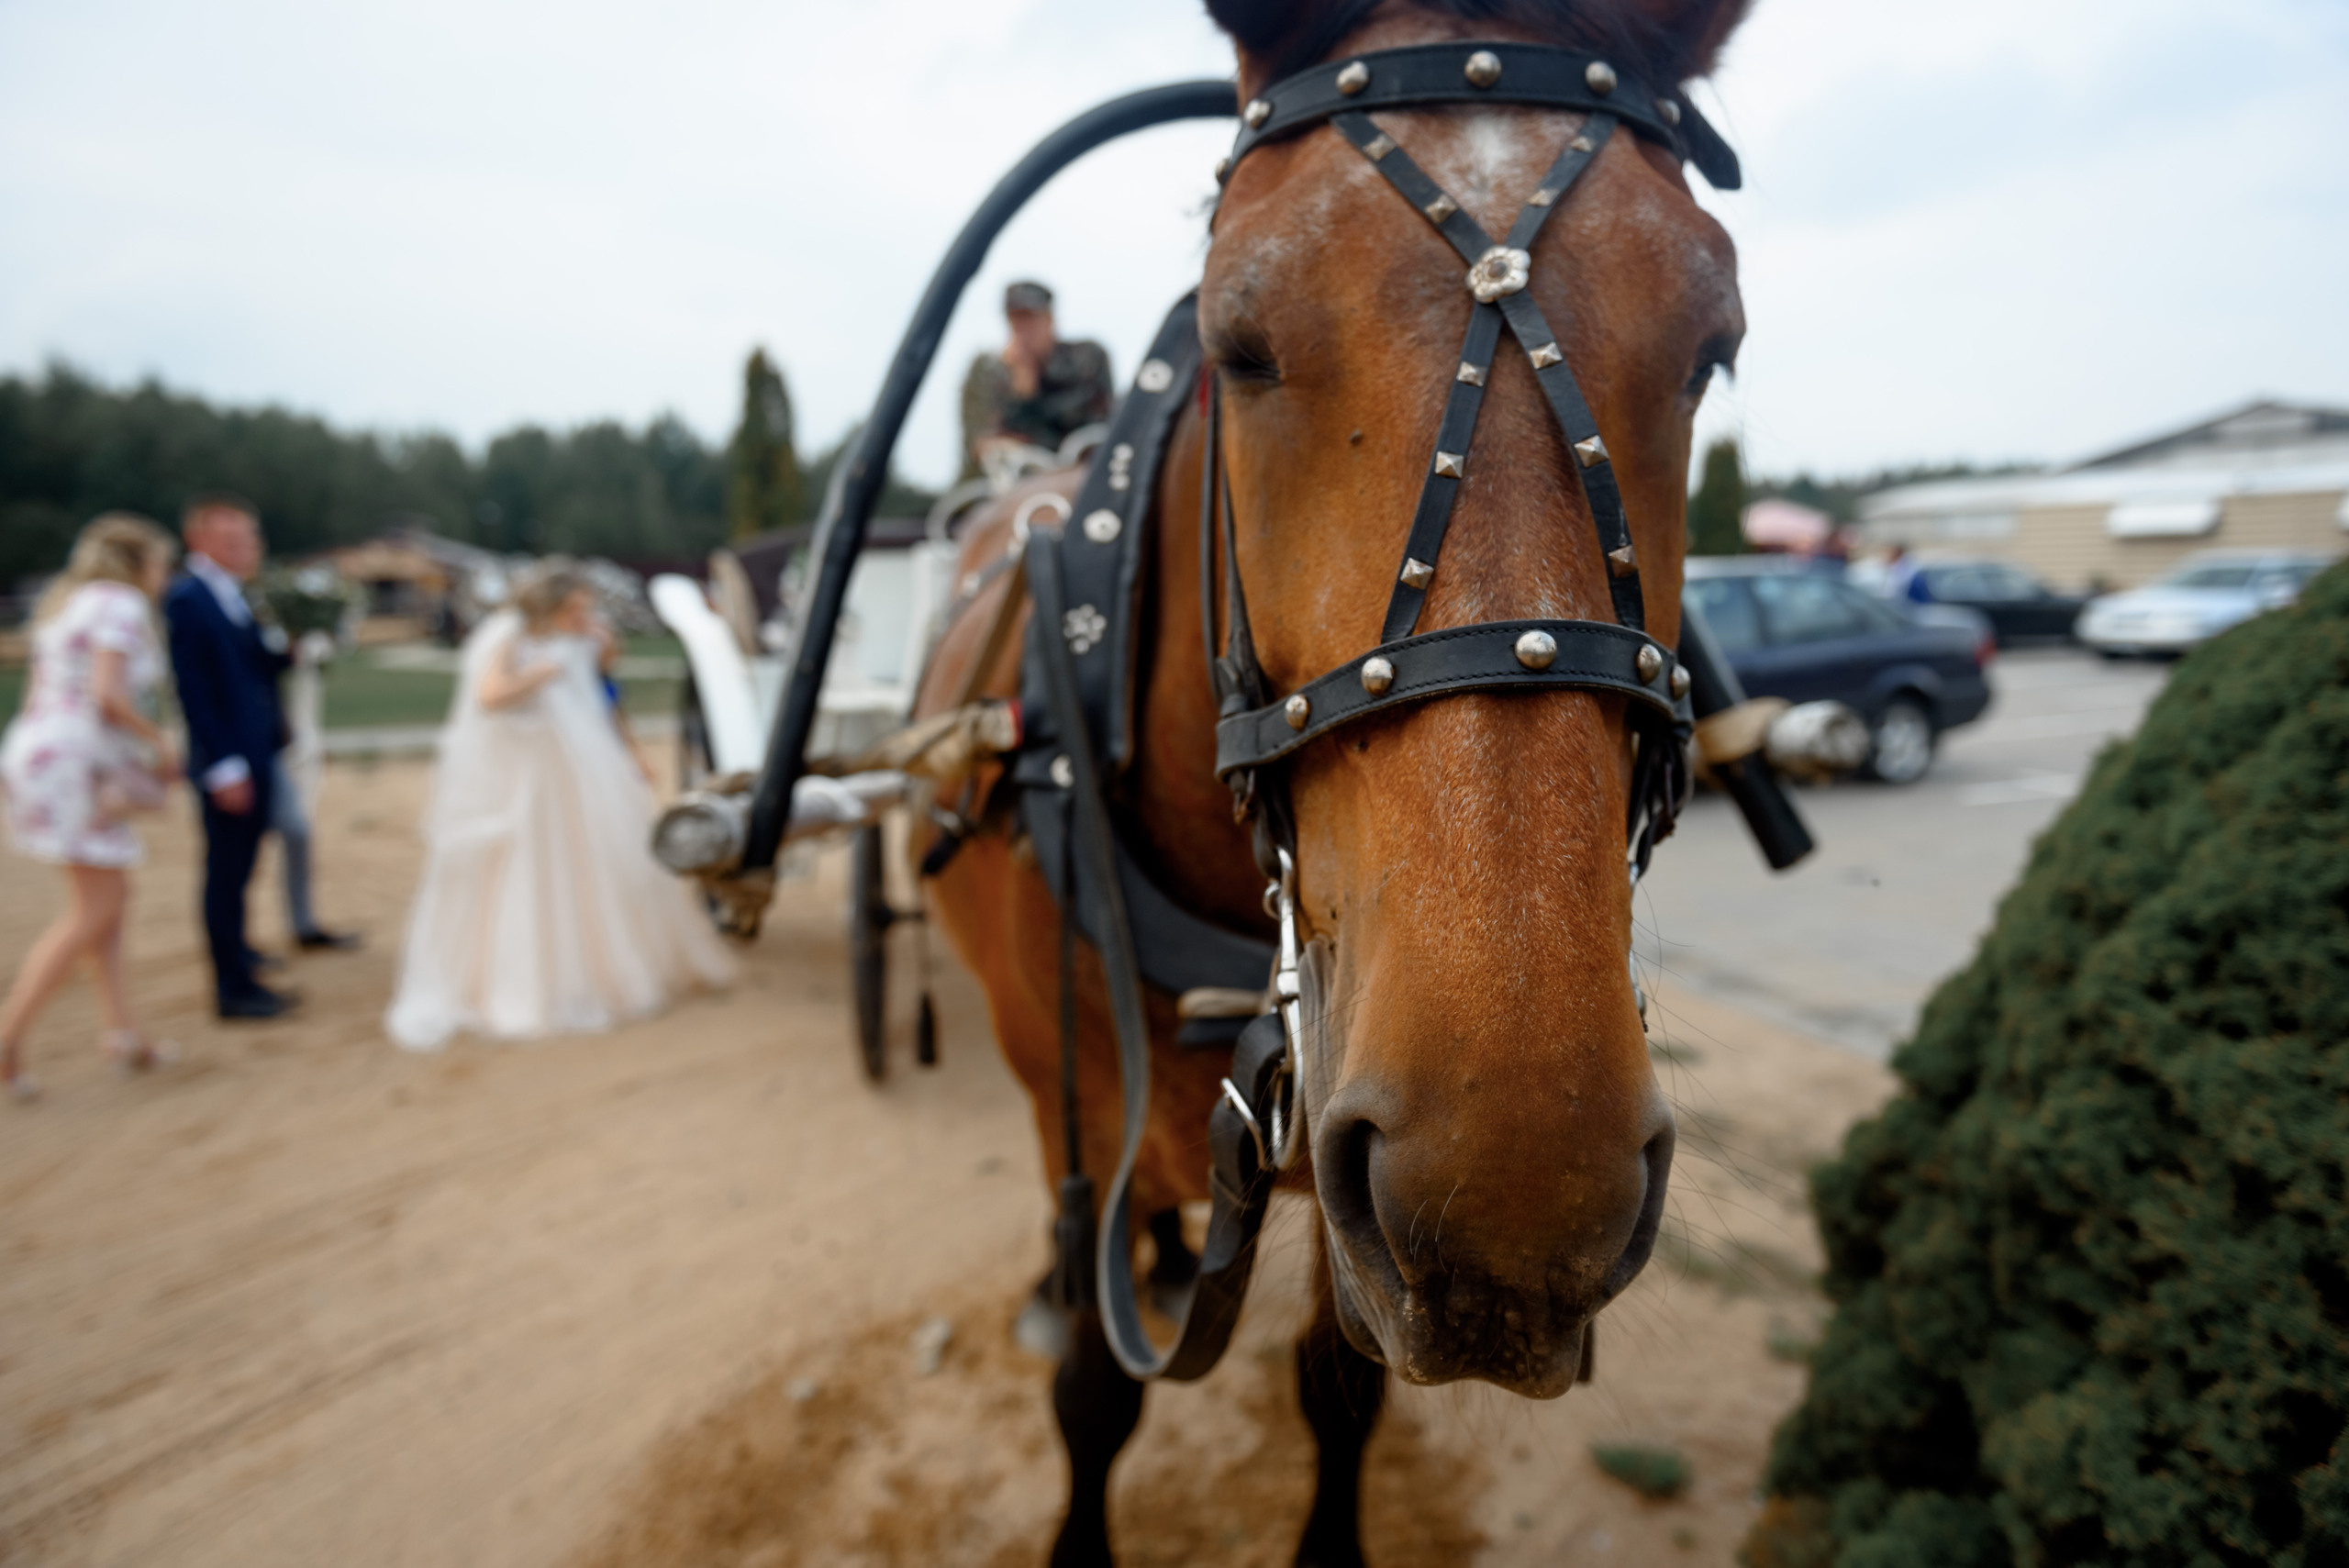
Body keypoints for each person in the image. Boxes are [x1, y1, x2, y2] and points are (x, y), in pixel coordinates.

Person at [384, 560, 733, 1051]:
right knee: (532, 869)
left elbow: (607, 696)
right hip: (532, 772)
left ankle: (605, 972)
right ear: (550, 606)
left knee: (597, 865)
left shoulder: (588, 638)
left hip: (587, 767)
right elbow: (489, 697)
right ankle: (526, 982)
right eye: (574, 608)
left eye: (586, 607)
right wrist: (540, 673)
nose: (582, 615)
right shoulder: (510, 636)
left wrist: (630, 748)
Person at [0, 514, 185, 1096]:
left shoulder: (67, 604)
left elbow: (40, 694)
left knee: (108, 901)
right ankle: (7, 1038)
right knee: (91, 908)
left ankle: (123, 1035)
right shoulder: (121, 606)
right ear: (139, 564)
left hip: (38, 753)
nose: (163, 575)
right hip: (76, 762)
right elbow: (108, 696)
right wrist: (159, 741)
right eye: (159, 563)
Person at [164, 493, 303, 1019]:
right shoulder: (189, 598)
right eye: (233, 539)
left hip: (258, 747)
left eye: (250, 538)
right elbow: (195, 690)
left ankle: (239, 951)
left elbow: (251, 668)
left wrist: (292, 645)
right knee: (225, 870)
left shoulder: (236, 595)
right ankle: (232, 987)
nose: (247, 548)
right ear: (198, 540)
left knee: (244, 865)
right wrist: (223, 764)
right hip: (231, 758)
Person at [959, 280, 1112, 479]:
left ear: (1049, 320)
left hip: (1081, 475)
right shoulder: (989, 371)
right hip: (1012, 484)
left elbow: (1097, 424)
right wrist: (1021, 393)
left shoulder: (1086, 357)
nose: (1022, 330)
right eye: (1015, 320)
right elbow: (981, 444)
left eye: (1030, 318)